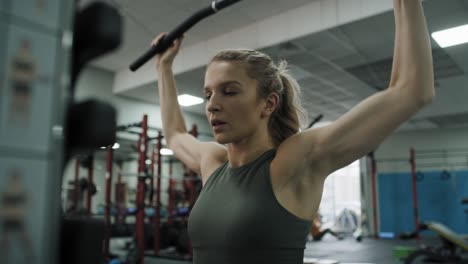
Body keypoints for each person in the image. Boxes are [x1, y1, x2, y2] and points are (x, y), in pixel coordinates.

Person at [152, 1, 434, 263]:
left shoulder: (292, 163)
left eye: (229, 92)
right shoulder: (213, 163)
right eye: (208, 94)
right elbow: (175, 135)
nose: (212, 105)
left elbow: (410, 90)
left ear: (268, 103)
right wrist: (164, 67)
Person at [0, 169, 35, 263]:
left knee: (25, 240)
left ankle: (30, 256)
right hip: (8, 220)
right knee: (5, 242)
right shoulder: (6, 192)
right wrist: (8, 211)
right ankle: (4, 258)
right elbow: (2, 208)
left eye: (16, 178)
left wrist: (16, 211)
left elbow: (28, 205)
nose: (14, 180)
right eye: (12, 178)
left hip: (18, 220)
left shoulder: (23, 192)